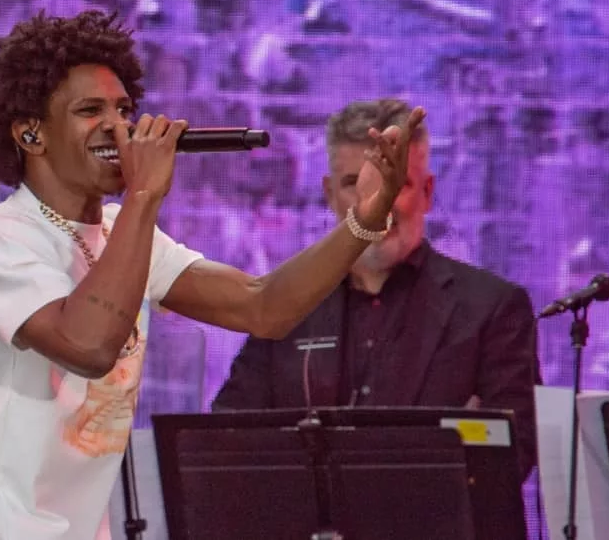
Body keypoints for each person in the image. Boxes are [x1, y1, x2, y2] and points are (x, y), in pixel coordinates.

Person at [0, 12, 424, 540]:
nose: (118, 127)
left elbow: (264, 308)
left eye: (124, 110)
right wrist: (144, 195)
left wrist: (365, 221)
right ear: (31, 133)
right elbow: (90, 346)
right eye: (90, 111)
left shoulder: (122, 232)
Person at [211, 98, 541, 481]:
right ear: (329, 193)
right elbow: (226, 443)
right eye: (355, 184)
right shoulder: (286, 303)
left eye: (394, 181)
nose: (376, 204)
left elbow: (509, 458)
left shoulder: (493, 309)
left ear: (428, 191)